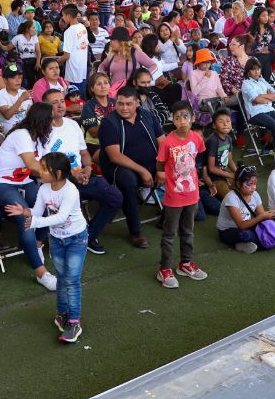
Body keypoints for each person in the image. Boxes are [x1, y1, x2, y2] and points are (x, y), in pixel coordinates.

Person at [4, 152, 88, 344]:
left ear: (57, 173)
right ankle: (62, 314)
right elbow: (36, 211)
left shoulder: (70, 191)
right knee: (62, 278)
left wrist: (34, 222)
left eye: (44, 168)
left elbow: (61, 217)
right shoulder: (44, 188)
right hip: (57, 240)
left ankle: (74, 321)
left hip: (76, 239)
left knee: (72, 280)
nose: (39, 171)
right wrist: (25, 212)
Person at [0, 103, 57, 288]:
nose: (52, 125)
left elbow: (45, 163)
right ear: (42, 121)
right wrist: (59, 176)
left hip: (22, 182)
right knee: (26, 217)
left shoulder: (38, 137)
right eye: (50, 120)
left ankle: (36, 245)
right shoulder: (21, 135)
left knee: (48, 206)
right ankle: (41, 273)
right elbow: (33, 165)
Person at [40, 88, 121, 255]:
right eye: (54, 102)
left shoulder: (72, 125)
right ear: (45, 107)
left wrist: (89, 167)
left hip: (82, 176)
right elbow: (42, 166)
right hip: (58, 183)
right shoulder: (41, 131)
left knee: (115, 197)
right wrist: (71, 175)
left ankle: (88, 236)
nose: (60, 105)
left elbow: (84, 153)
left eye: (62, 101)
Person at [97, 85, 163, 249]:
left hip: (151, 164)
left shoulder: (148, 116)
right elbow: (115, 156)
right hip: (119, 167)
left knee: (178, 166)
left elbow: (163, 142)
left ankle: (171, 214)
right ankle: (135, 230)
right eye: (120, 103)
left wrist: (162, 168)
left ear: (137, 103)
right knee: (128, 181)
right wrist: (142, 171)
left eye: (128, 104)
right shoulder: (109, 123)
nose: (124, 108)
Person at [154, 101, 207, 289]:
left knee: (188, 231)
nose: (182, 121)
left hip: (192, 194)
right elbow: (160, 165)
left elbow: (198, 158)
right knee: (169, 234)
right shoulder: (167, 142)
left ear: (192, 118)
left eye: (185, 117)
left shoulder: (197, 138)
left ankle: (185, 263)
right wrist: (163, 175)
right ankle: (165, 269)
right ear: (173, 121)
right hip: (174, 196)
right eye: (177, 118)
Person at [216, 165, 275, 253]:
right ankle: (268, 241)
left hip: (248, 226)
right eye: (249, 184)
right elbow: (241, 225)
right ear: (238, 184)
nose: (254, 187)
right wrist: (262, 216)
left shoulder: (255, 194)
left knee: (272, 225)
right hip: (228, 231)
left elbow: (261, 215)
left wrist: (270, 215)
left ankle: (250, 244)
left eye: (255, 183)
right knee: (245, 235)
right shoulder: (231, 198)